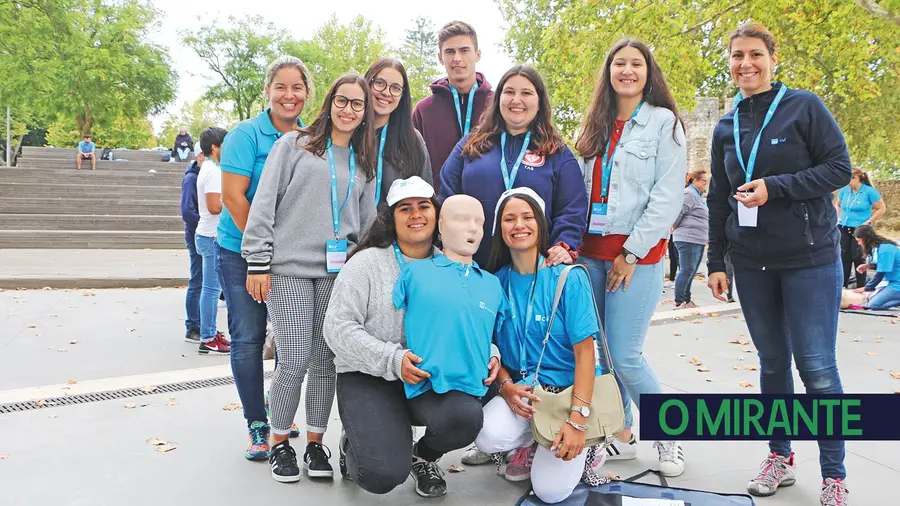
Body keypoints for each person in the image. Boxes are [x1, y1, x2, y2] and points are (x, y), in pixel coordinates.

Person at [706, 24, 852, 505]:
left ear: (772, 58)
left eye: (754, 54)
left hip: (809, 258)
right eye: (736, 56)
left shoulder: (803, 106)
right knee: (772, 366)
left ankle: (834, 475)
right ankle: (780, 457)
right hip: (751, 263)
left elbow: (839, 169)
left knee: (818, 370)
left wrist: (777, 186)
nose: (745, 63)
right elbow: (719, 199)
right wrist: (716, 261)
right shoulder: (727, 125)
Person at [324, 177, 500, 498]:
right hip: (369, 377)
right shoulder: (365, 264)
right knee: (381, 474)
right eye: (405, 208)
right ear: (392, 218)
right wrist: (394, 360)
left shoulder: (454, 264)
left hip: (429, 380)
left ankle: (422, 456)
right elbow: (337, 328)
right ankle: (356, 440)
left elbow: (472, 319)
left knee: (466, 418)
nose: (415, 214)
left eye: (423, 207)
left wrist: (489, 352)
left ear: (437, 217)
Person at [242, 73, 377, 484]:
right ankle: (280, 441)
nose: (349, 109)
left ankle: (315, 443)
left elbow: (367, 225)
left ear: (365, 112)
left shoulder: (362, 162)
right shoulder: (294, 145)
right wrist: (257, 261)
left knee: (325, 360)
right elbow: (264, 203)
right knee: (294, 356)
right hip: (289, 269)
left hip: (338, 274)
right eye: (343, 100)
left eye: (358, 104)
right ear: (329, 102)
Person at [573, 38, 687, 477]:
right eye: (618, 63)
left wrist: (631, 252)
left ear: (647, 72)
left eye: (635, 64)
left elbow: (666, 197)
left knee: (626, 355)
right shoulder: (595, 125)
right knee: (599, 353)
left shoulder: (664, 124)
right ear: (608, 72)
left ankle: (671, 436)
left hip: (634, 257)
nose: (626, 70)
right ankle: (619, 431)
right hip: (589, 256)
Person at [475, 189, 603, 504]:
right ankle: (532, 442)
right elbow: (491, 348)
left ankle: (589, 444)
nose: (519, 225)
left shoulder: (567, 278)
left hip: (570, 396)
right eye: (509, 218)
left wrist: (577, 420)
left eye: (527, 216)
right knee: (486, 435)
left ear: (541, 224)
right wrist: (506, 387)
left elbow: (585, 354)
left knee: (550, 491)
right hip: (528, 394)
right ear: (499, 229)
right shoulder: (495, 282)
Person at [218, 55, 313, 460]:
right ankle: (257, 422)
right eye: (281, 87)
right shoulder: (246, 134)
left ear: (307, 94)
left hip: (287, 257)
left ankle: (279, 410)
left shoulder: (312, 138)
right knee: (249, 337)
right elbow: (233, 198)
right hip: (241, 251)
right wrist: (261, 253)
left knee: (293, 342)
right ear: (268, 91)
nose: (289, 95)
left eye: (297, 87)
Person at [440, 64, 587, 269]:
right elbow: (447, 196)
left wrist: (564, 245)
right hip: (473, 267)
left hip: (532, 272)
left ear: (539, 101)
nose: (516, 100)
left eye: (526, 93)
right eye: (509, 92)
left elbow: (572, 208)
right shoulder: (469, 145)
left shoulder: (556, 152)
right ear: (498, 98)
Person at [413, 20, 493, 190]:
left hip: (490, 208)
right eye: (450, 52)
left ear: (477, 55)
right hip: (438, 208)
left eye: (464, 51)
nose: (457, 58)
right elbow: (412, 167)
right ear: (440, 57)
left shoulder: (497, 105)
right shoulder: (424, 110)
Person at [364, 58, 433, 205]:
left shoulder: (412, 140)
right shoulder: (349, 134)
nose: (386, 93)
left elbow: (426, 198)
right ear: (367, 84)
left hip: (396, 227)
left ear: (402, 96)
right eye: (379, 83)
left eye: (395, 88)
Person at [194, 127, 230, 355]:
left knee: (210, 289)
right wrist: (234, 200)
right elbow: (214, 206)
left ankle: (209, 332)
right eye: (225, 145)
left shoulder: (208, 168)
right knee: (210, 289)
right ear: (215, 147)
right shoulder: (213, 171)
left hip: (207, 234)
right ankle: (207, 336)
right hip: (211, 235)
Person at [835, 168, 886, 288]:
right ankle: (843, 286)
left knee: (858, 257)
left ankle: (861, 286)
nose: (847, 183)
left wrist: (868, 222)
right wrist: (837, 217)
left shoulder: (869, 192)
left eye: (849, 179)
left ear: (857, 178)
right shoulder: (844, 191)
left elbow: (881, 208)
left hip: (860, 228)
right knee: (844, 258)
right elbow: (838, 204)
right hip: (843, 226)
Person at [672, 169, 710, 309]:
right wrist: (674, 225)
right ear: (695, 180)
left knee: (691, 270)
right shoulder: (688, 194)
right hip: (688, 238)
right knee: (687, 269)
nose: (706, 184)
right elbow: (679, 211)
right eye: (704, 181)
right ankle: (680, 300)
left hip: (697, 238)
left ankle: (686, 299)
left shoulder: (697, 195)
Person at [180, 144, 205, 344]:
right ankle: (192, 326)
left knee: (204, 282)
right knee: (197, 281)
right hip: (196, 234)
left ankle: (201, 324)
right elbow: (187, 212)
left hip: (202, 233)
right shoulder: (191, 179)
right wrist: (203, 223)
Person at [848, 225, 900, 310]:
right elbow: (886, 264)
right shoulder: (878, 247)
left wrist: (866, 288)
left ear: (865, 239)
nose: (858, 243)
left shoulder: (886, 249)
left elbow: (880, 273)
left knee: (873, 305)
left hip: (897, 283)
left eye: (859, 241)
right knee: (871, 299)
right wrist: (869, 266)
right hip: (892, 281)